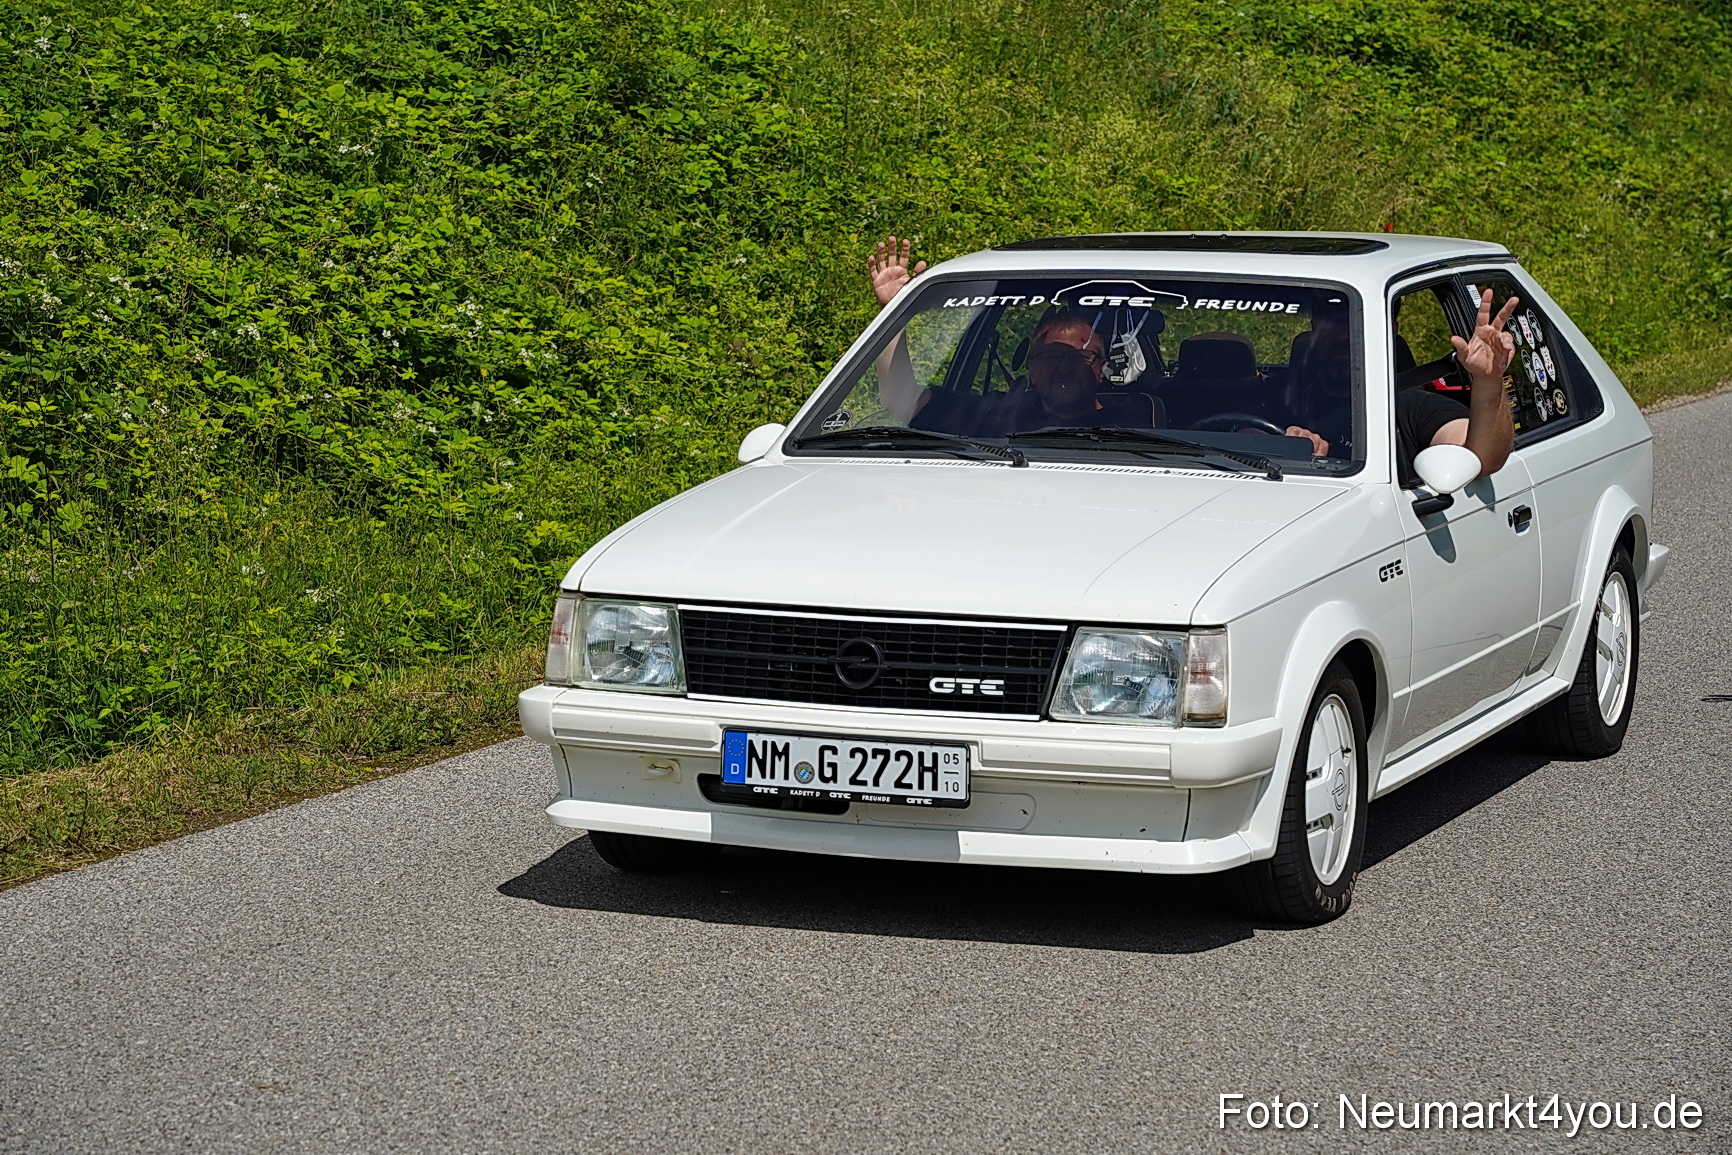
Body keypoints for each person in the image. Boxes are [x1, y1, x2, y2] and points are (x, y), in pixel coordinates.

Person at [865, 236, 1140, 434]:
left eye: (1078, 358)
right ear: (1030, 367)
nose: (1063, 369)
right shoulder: (998, 415)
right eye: (1051, 357)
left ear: (1101, 368)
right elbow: (902, 400)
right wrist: (894, 313)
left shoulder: (1135, 428)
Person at [1285, 288, 1519, 484]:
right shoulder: (1281, 397)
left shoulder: (1411, 406)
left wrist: (1488, 380)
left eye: (1356, 324)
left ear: (1391, 332)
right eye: (1333, 324)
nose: (1345, 337)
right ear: (1314, 328)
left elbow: (1479, 458)